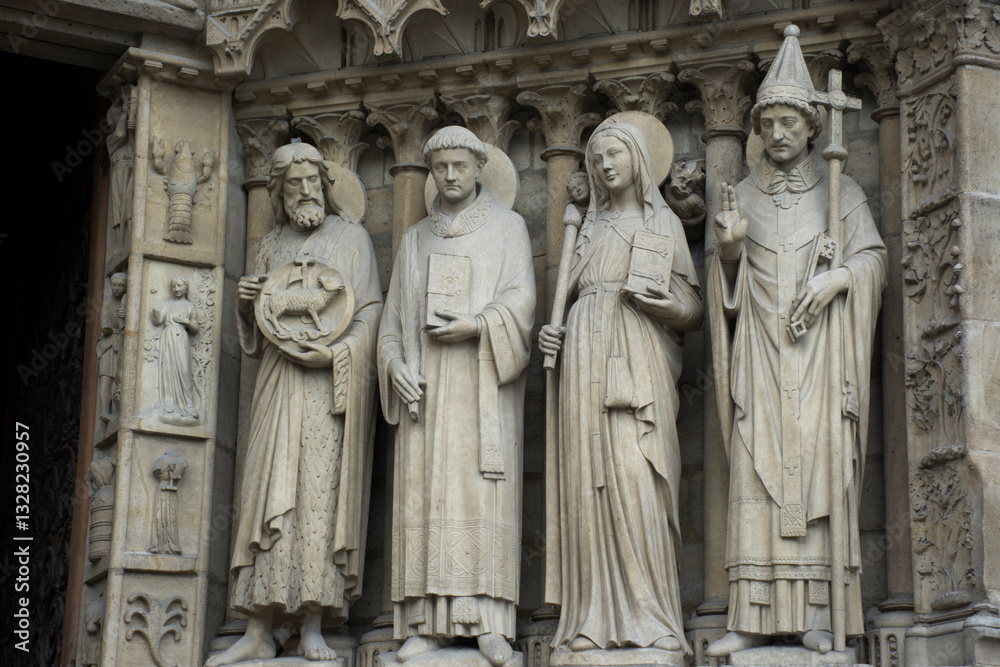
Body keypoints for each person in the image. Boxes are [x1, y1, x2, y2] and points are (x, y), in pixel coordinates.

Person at [705, 26, 887, 658]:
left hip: (816, 359)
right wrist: (727, 250)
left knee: (816, 476)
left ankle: (818, 612)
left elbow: (873, 262)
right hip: (760, 354)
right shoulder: (744, 197)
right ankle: (750, 615)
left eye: (790, 122)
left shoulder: (844, 193)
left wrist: (841, 276)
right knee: (754, 478)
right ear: (755, 130)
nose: (778, 133)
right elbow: (721, 290)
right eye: (769, 123)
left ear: (813, 128)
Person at [207, 141, 383, 666]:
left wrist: (337, 352)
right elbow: (259, 332)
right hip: (277, 386)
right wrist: (245, 306)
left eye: (312, 182)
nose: (304, 192)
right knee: (266, 494)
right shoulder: (268, 246)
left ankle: (313, 623)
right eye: (292, 185)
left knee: (315, 497)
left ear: (325, 187)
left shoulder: (352, 240)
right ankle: (257, 628)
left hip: (326, 390)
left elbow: (370, 312)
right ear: (279, 194)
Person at [538, 120, 701, 657]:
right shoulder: (585, 228)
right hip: (583, 355)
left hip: (638, 355)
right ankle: (590, 618)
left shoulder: (664, 226)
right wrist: (553, 330)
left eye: (615, 155)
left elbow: (691, 308)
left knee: (637, 479)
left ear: (637, 160)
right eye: (597, 157)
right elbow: (570, 294)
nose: (606, 165)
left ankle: (653, 619)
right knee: (587, 484)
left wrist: (664, 306)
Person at [378, 126, 535, 666]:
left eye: (459, 167)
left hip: (481, 384)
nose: (449, 176)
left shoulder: (508, 228)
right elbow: (392, 322)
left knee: (478, 493)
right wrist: (395, 364)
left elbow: (522, 301)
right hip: (426, 393)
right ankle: (422, 618)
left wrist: (477, 325)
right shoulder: (414, 240)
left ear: (477, 169)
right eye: (440, 167)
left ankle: (489, 620)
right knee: (425, 496)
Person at [151, 276, 200, 425]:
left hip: (181, 338)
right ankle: (169, 403)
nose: (176, 289)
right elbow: (158, 321)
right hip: (168, 337)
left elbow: (196, 328)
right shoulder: (167, 304)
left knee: (184, 370)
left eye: (179, 286)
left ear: (186, 287)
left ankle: (188, 405)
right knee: (168, 368)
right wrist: (155, 313)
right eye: (174, 287)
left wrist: (187, 322)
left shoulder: (190, 306)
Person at [97, 272, 127, 423]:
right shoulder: (107, 301)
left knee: (120, 376)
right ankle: (105, 410)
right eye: (114, 285)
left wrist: (126, 315)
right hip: (108, 344)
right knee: (106, 378)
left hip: (122, 343)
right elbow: (104, 324)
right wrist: (107, 328)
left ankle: (120, 406)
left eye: (121, 285)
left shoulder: (127, 302)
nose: (117, 288)